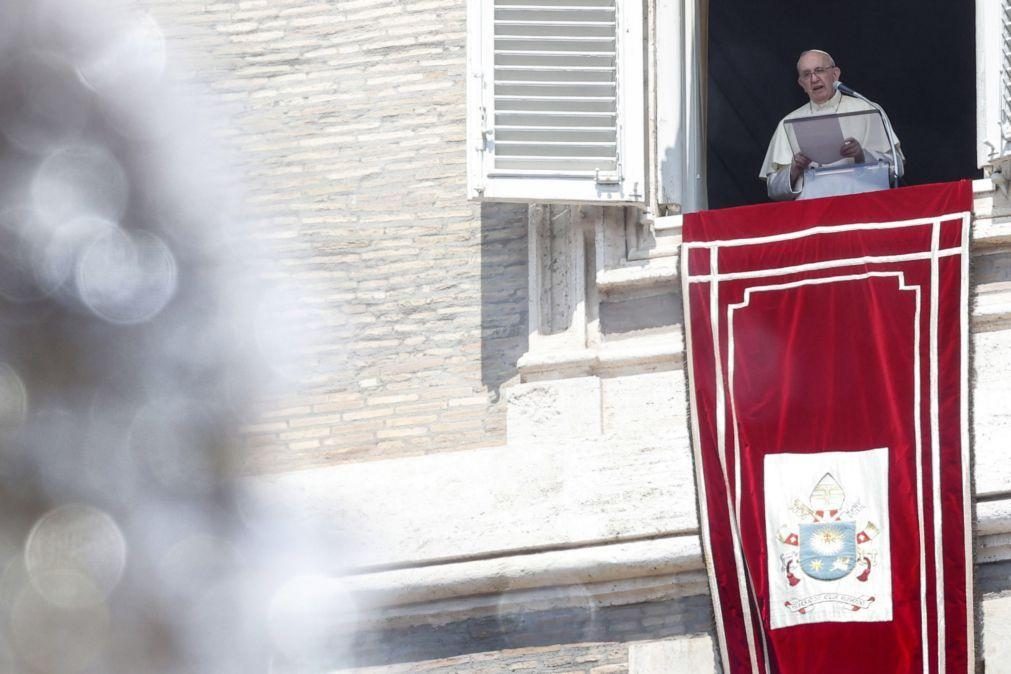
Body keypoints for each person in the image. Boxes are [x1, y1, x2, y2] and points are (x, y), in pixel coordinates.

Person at [760, 49, 904, 201]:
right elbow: (774, 190)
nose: (814, 79)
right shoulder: (787, 123)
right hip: (813, 214)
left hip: (862, 206)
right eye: (806, 74)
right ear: (801, 84)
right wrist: (794, 168)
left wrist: (861, 155)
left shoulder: (868, 110)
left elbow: (897, 169)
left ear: (835, 75)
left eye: (819, 70)